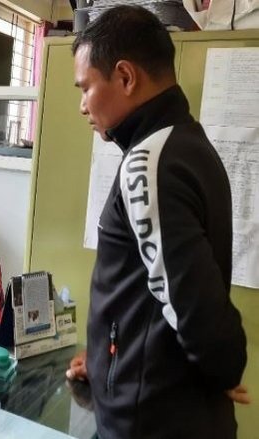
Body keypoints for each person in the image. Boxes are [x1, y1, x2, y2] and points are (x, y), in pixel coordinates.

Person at [64, 5, 249, 438]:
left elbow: (194, 308)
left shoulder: (149, 161)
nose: (82, 106)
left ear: (126, 77)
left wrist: (223, 365)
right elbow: (151, 289)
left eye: (86, 87)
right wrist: (104, 360)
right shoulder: (186, 142)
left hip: (148, 423)